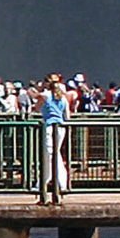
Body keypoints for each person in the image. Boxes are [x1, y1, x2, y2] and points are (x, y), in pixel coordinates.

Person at [39, 72, 72, 200]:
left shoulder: (45, 95)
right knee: (53, 154)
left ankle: (51, 183)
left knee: (50, 154)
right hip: (60, 128)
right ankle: (55, 183)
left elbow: (36, 108)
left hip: (48, 127)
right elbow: (67, 116)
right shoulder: (63, 98)